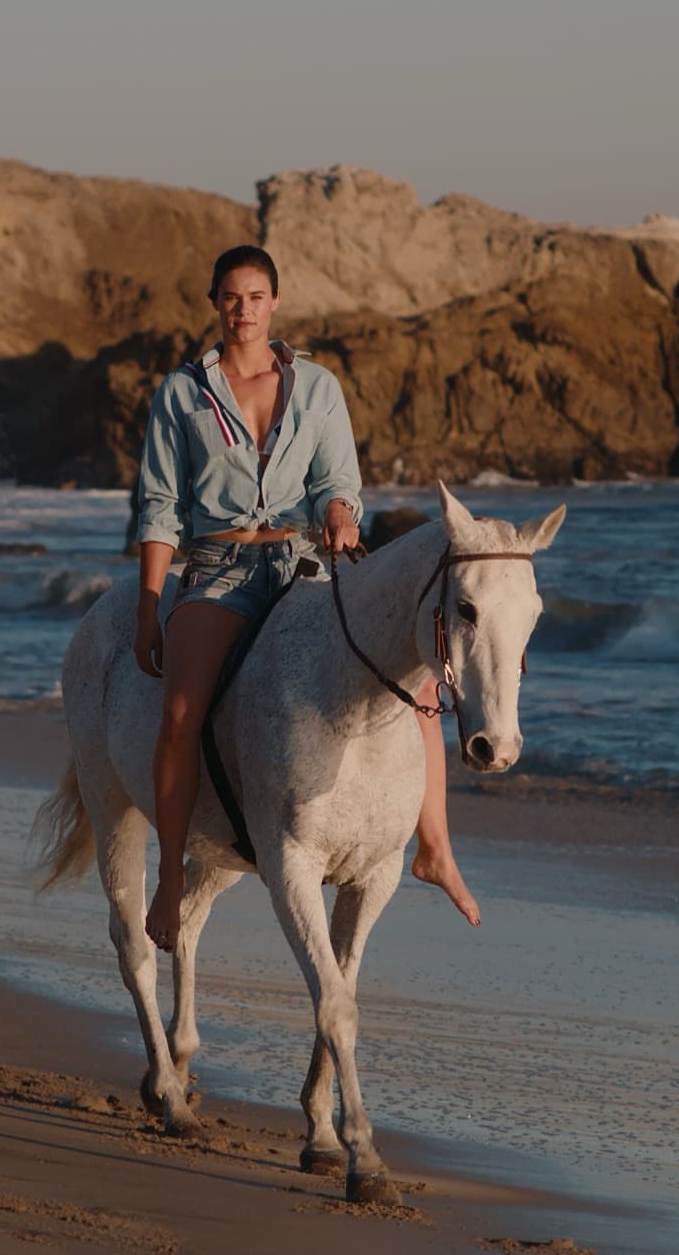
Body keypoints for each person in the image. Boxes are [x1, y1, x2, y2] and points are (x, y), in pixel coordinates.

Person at [131, 244, 479, 952]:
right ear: (215, 303)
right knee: (176, 712)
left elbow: (338, 483)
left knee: (412, 679)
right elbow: (160, 507)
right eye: (231, 297)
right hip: (221, 570)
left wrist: (344, 515)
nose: (243, 309)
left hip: (304, 565)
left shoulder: (318, 388)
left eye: (256, 296)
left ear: (275, 302)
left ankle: (434, 843)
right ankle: (170, 872)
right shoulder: (182, 393)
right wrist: (147, 604)